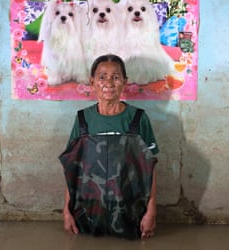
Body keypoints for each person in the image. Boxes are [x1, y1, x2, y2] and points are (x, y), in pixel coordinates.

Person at [59, 54, 159, 239]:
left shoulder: (138, 119)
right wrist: (67, 211)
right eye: (102, 77)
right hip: (87, 219)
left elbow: (150, 169)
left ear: (124, 81)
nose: (109, 82)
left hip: (131, 218)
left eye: (115, 77)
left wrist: (151, 211)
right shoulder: (83, 120)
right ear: (92, 82)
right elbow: (72, 170)